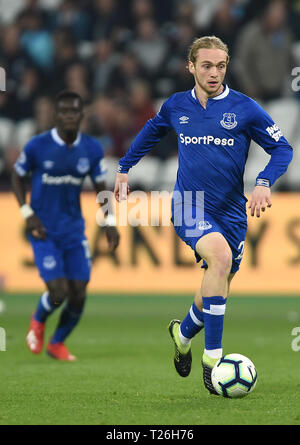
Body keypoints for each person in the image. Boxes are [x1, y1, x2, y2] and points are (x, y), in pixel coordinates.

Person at [114, 36, 293, 394]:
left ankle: (182, 337)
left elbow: (282, 149)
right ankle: (213, 361)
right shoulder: (176, 106)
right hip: (188, 203)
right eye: (207, 66)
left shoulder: (245, 108)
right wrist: (124, 168)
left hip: (231, 212)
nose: (214, 73)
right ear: (191, 66)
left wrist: (263, 182)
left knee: (218, 281)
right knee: (221, 258)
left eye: (221, 66)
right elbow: (152, 130)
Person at [12, 90, 120, 361]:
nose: (70, 116)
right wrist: (27, 213)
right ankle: (38, 321)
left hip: (73, 230)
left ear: (82, 115)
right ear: (56, 115)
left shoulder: (91, 149)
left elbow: (101, 188)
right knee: (58, 292)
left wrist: (110, 221)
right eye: (65, 112)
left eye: (75, 111)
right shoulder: (38, 146)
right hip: (44, 230)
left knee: (79, 294)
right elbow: (16, 175)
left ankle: (56, 343)